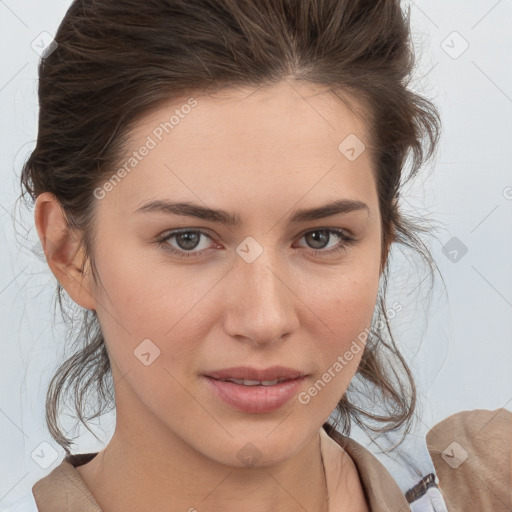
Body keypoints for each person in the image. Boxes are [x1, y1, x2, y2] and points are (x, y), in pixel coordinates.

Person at [5, 0, 510, 511]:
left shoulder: (487, 487)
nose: (264, 320)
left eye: (321, 238)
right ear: (70, 253)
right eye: (188, 239)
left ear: (385, 240)